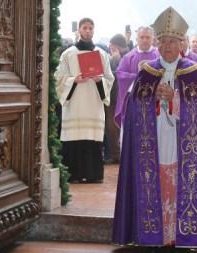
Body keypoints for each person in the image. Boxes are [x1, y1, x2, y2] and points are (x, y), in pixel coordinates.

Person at [112, 6, 197, 250]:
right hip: (153, 139)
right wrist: (153, 97)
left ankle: (181, 234)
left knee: (183, 181)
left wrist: (175, 98)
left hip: (182, 142)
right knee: (155, 180)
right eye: (163, 42)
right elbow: (133, 108)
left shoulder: (196, 72)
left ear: (181, 44)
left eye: (173, 42)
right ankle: (158, 234)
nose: (167, 47)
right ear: (157, 43)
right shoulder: (146, 72)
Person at [55, 17, 114, 183]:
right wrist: (73, 79)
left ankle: (93, 175)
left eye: (90, 28)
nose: (88, 31)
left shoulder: (102, 54)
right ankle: (73, 174)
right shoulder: (68, 54)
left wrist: (99, 80)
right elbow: (58, 78)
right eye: (85, 28)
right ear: (79, 30)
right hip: (74, 104)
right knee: (74, 139)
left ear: (93, 30)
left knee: (92, 139)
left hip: (93, 103)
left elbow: (110, 78)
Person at [114, 26, 159, 128]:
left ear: (153, 39)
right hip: (134, 103)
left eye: (147, 37)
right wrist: (139, 77)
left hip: (155, 103)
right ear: (137, 39)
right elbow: (120, 75)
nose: (144, 40)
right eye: (142, 37)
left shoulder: (159, 55)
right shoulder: (128, 57)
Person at [102, 34, 129, 164]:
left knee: (112, 126)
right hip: (113, 97)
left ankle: (117, 154)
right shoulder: (115, 55)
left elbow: (118, 75)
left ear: (116, 46)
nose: (109, 47)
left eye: (111, 45)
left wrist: (116, 59)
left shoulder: (125, 57)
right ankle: (116, 153)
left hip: (118, 97)